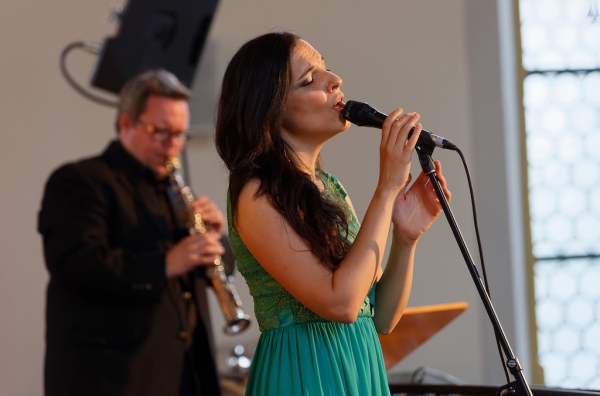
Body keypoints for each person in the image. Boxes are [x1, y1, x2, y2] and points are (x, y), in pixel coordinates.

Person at [215, 32, 451, 396]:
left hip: (359, 362)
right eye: (310, 79)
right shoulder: (254, 192)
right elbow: (339, 302)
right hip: (304, 371)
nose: (334, 81)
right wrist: (386, 189)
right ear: (270, 108)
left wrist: (405, 238)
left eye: (326, 69)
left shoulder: (330, 187)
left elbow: (381, 316)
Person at [38, 69, 232, 396]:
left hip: (185, 371)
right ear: (126, 123)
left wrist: (217, 241)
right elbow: (74, 263)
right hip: (114, 378)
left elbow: (208, 271)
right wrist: (165, 264)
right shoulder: (80, 180)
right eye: (161, 131)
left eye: (181, 134)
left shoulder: (172, 192)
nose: (172, 144)